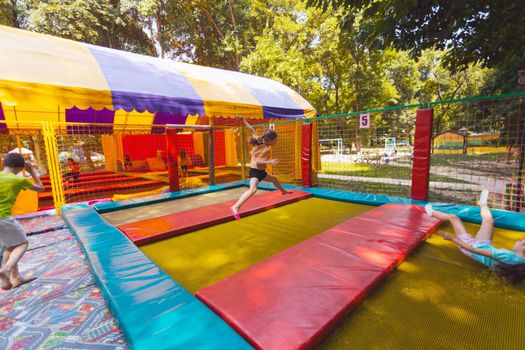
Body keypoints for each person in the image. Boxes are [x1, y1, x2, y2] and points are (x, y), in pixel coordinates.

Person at [426, 189, 525, 283]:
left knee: (453, 217)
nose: (518, 240)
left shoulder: (505, 255)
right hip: (484, 245)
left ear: (523, 248)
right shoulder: (521, 263)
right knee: (488, 220)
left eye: (520, 241)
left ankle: (430, 212)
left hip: (471, 245)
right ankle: (482, 204)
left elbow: (473, 250)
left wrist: (453, 238)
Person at [231, 116, 292, 220]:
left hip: (261, 172)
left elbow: (251, 129)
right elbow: (258, 161)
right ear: (271, 140)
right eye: (275, 140)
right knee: (253, 190)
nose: (276, 142)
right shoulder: (266, 148)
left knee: (274, 179)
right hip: (255, 171)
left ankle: (283, 191)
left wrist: (244, 120)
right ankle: (235, 207)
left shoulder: (259, 139)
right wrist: (270, 162)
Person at [0, 153, 45, 290]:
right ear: (20, 167)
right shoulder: (18, 180)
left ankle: (15, 278)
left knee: (9, 247)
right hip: (3, 217)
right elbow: (41, 188)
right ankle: (6, 269)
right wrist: (31, 171)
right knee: (22, 244)